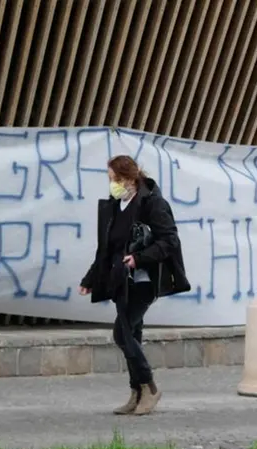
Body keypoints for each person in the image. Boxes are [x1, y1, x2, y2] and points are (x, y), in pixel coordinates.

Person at [78, 155, 191, 415]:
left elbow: (169, 240)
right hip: (121, 279)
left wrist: (139, 258)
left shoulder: (153, 203)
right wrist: (90, 280)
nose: (113, 185)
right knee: (133, 335)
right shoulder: (114, 206)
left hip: (144, 280)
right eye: (110, 180)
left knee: (122, 333)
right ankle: (136, 393)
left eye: (116, 180)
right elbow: (106, 249)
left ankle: (149, 387)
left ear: (130, 178)